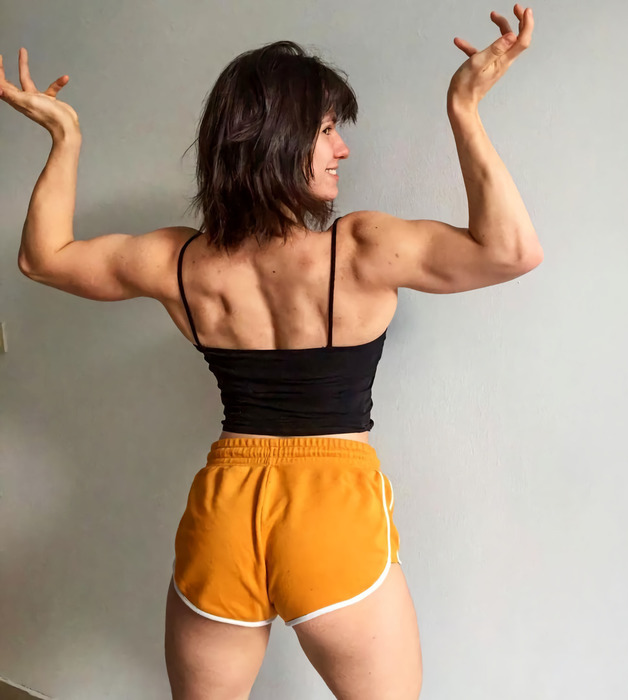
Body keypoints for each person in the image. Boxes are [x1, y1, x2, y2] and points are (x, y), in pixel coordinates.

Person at [4, 5, 539, 699]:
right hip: (332, 511)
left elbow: (43, 258)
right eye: (326, 130)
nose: (342, 149)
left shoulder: (179, 261)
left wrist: (65, 137)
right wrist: (464, 109)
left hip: (224, 513)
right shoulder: (362, 247)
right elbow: (512, 251)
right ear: (277, 140)